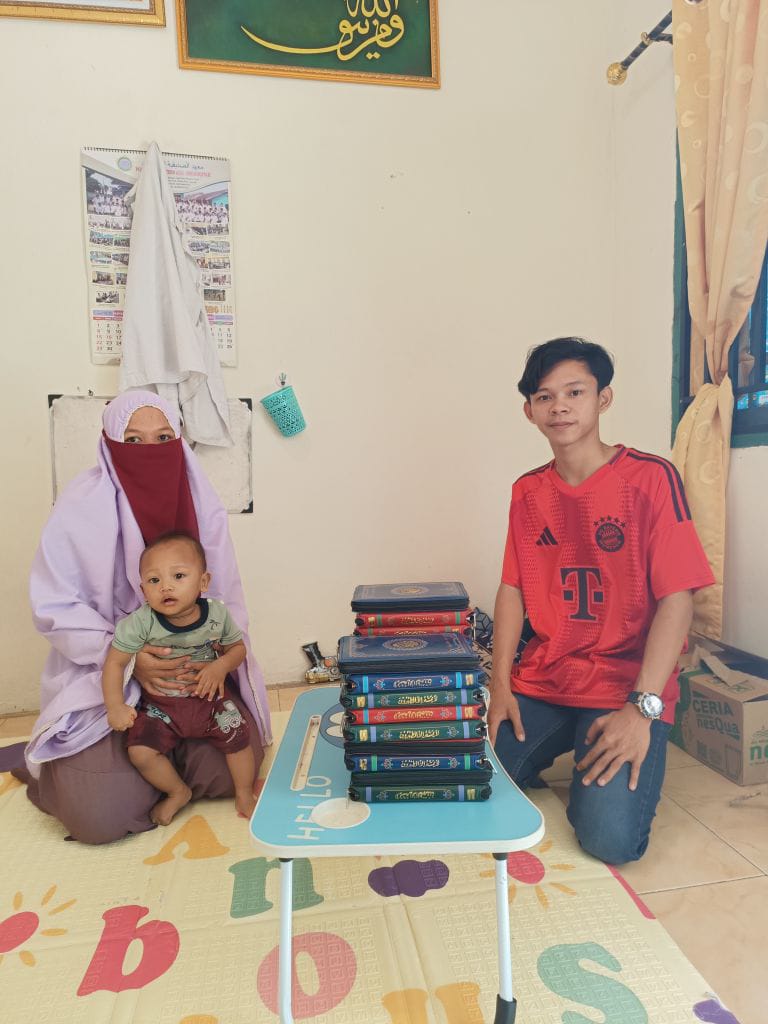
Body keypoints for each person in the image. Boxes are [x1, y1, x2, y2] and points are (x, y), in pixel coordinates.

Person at [488, 337, 714, 865]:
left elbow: (677, 599)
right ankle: (562, 740)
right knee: (470, 781)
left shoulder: (650, 478)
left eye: (575, 392)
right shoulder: (527, 492)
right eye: (544, 397)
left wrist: (642, 709)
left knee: (609, 840)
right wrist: (499, 685)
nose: (560, 407)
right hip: (547, 678)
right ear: (529, 411)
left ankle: (596, 758)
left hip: (624, 687)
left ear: (603, 399)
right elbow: (512, 588)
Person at [18, 391, 271, 844]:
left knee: (235, 765)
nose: (149, 451)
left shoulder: (202, 504)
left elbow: (226, 603)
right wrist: (131, 659)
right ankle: (119, 774)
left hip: (192, 683)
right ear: (109, 443)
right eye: (132, 440)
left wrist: (212, 664)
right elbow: (55, 606)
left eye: (163, 438)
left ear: (179, 442)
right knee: (98, 815)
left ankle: (159, 768)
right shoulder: (79, 509)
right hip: (105, 680)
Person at [103, 533, 256, 824]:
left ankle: (245, 794)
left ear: (203, 582)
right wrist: (115, 706)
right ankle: (177, 792)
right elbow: (114, 663)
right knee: (140, 752)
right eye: (154, 580)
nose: (166, 587)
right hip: (162, 707)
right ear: (142, 590)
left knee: (240, 739)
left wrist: (220, 666)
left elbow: (237, 649)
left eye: (179, 576)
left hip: (210, 701)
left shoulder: (217, 614)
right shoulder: (139, 623)